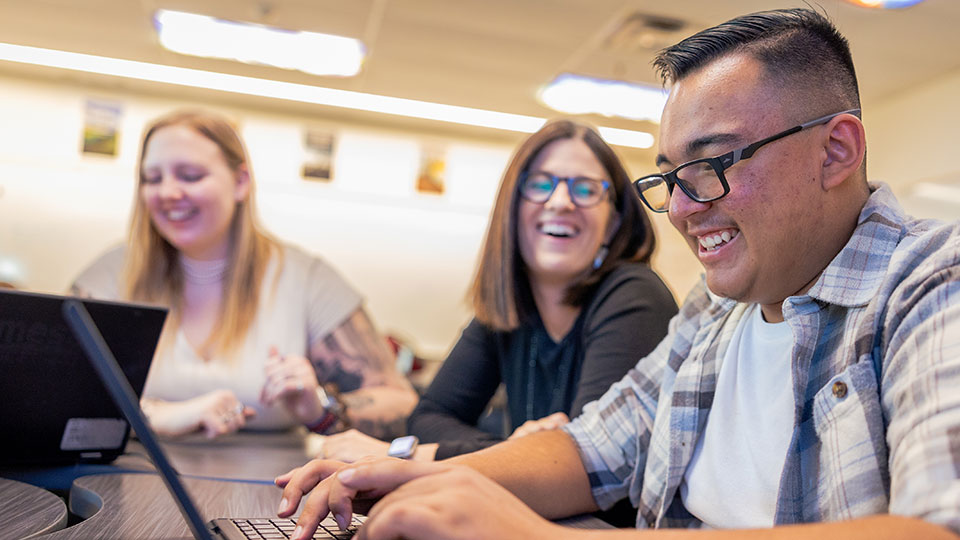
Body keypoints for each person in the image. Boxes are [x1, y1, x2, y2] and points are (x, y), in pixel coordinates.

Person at [273, 8, 960, 540]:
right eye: (671, 177)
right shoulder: (716, 312)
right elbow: (595, 446)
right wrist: (411, 475)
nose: (684, 209)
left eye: (713, 164)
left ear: (836, 151)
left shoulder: (933, 285)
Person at [320, 120, 676, 468]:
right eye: (540, 184)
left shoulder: (636, 296)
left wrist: (407, 456)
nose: (561, 202)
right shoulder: (509, 307)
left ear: (613, 222)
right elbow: (428, 418)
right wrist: (514, 453)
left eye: (586, 189)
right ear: (512, 208)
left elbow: (588, 461)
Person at [72, 110, 417, 440]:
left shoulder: (306, 279)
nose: (168, 193)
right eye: (152, 178)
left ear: (240, 182)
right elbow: (48, 392)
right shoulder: (109, 275)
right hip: (123, 487)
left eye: (190, 176)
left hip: (270, 488)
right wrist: (153, 416)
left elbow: (400, 403)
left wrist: (321, 407)